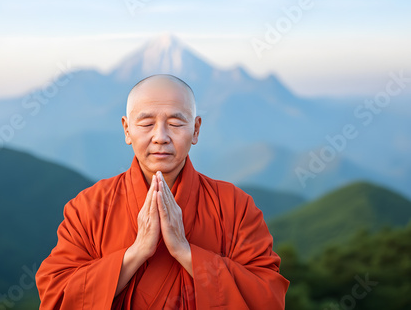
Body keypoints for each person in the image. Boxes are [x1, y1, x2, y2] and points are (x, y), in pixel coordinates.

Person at [36, 74, 289, 309]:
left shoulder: (235, 206)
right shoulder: (89, 206)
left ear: (196, 130)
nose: (160, 137)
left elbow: (268, 298)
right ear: (127, 129)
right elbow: (56, 294)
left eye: (176, 123)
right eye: (146, 123)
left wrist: (185, 251)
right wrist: (136, 253)